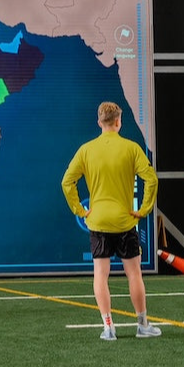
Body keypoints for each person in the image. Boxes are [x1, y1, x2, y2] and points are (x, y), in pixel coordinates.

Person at [61, 101, 161, 341]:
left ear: (99, 122)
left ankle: (109, 327)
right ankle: (142, 325)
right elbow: (152, 180)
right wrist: (144, 209)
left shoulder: (86, 149)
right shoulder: (131, 148)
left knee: (100, 275)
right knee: (134, 274)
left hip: (98, 222)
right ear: (118, 121)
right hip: (125, 221)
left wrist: (79, 210)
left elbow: (67, 182)